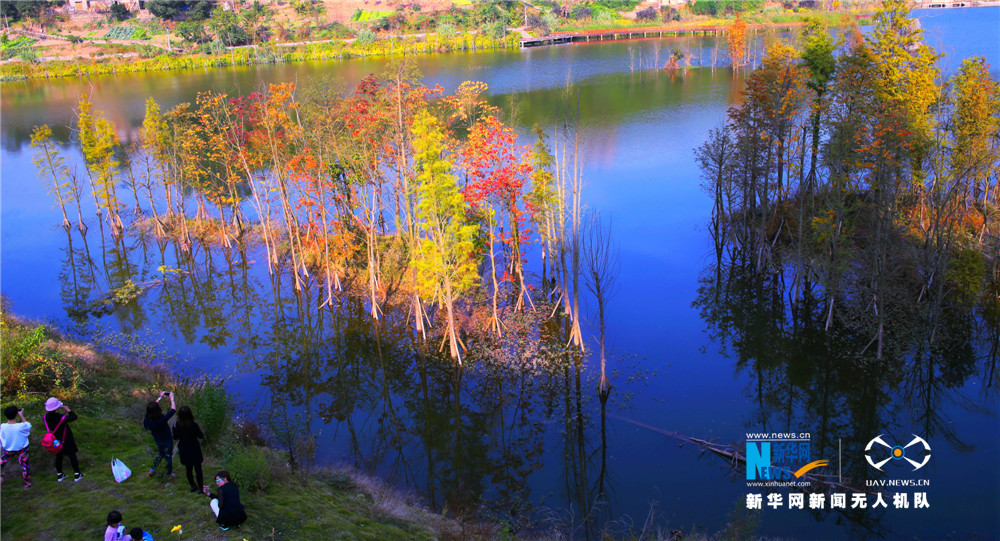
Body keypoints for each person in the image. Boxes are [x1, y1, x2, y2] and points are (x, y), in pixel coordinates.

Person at [43, 397, 82, 482]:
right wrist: (68, 409)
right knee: (72, 455)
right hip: (66, 439)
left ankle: (60, 475)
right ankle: (77, 474)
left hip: (55, 441)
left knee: (59, 456)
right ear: (57, 407)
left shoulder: (45, 417)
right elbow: (74, 417)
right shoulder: (61, 417)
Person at [172, 405, 205, 493]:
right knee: (198, 469)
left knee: (188, 469)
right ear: (190, 414)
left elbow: (175, 437)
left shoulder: (176, 425)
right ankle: (201, 488)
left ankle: (193, 486)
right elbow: (201, 436)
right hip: (194, 449)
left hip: (184, 449)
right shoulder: (193, 425)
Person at [143, 391, 175, 479]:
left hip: (158, 440)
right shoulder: (161, 420)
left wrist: (160, 397)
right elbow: (173, 411)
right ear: (158, 410)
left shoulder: (147, 419)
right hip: (167, 439)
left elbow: (152, 408)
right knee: (168, 456)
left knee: (161, 454)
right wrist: (172, 398)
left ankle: (152, 470)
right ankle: (169, 474)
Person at [1, 405, 32, 488]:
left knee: (1, 462)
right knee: (25, 466)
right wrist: (21, 415)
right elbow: (28, 425)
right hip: (22, 449)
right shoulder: (21, 426)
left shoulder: (2, 426)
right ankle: (27, 484)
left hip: (9, 449)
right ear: (16, 414)